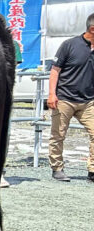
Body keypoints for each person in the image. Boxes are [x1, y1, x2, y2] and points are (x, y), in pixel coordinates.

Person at [47, 13, 94, 182]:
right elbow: (55, 70)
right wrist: (52, 94)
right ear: (92, 29)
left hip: (89, 101)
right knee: (58, 135)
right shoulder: (69, 45)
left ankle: (92, 170)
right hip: (64, 99)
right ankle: (57, 168)